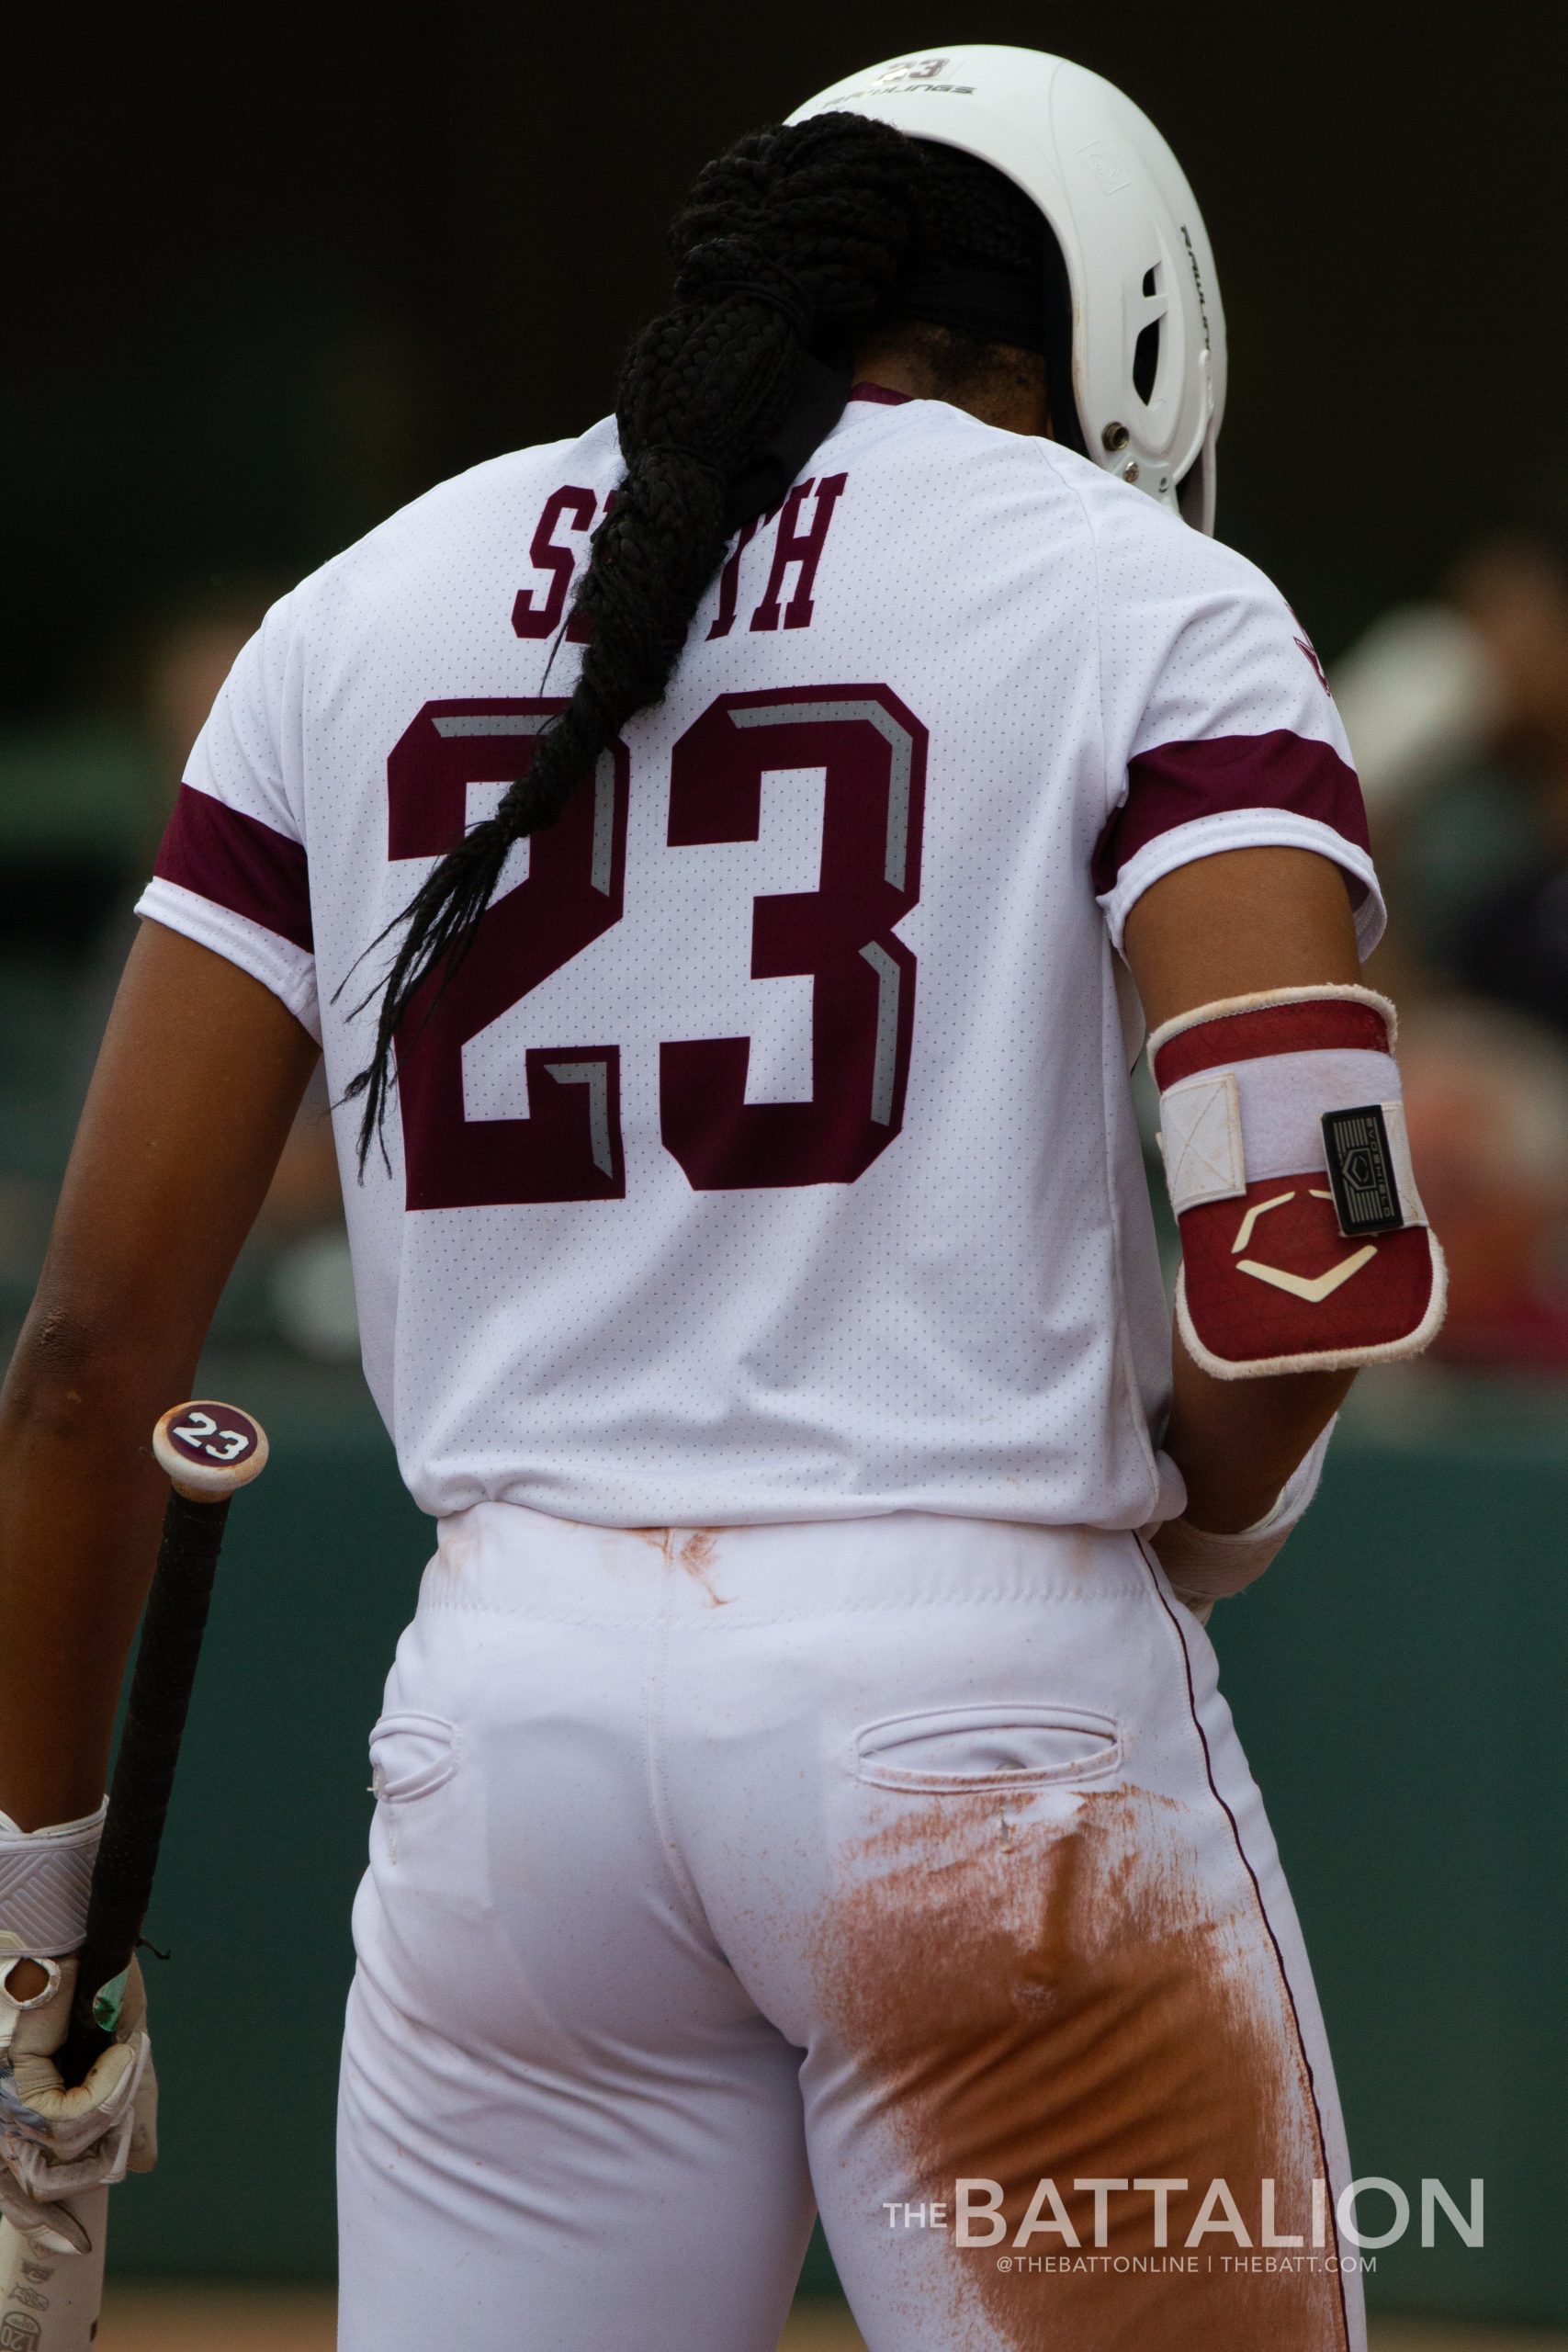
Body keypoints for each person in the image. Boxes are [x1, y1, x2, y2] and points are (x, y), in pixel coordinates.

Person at [0, 44, 1444, 2352]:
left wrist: (32, 1940)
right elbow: (1304, 1255)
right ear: (1103, 334)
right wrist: (1203, 1517)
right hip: (987, 1720)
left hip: (509, 1745)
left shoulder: (353, 610)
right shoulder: (1140, 598)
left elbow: (83, 1359)